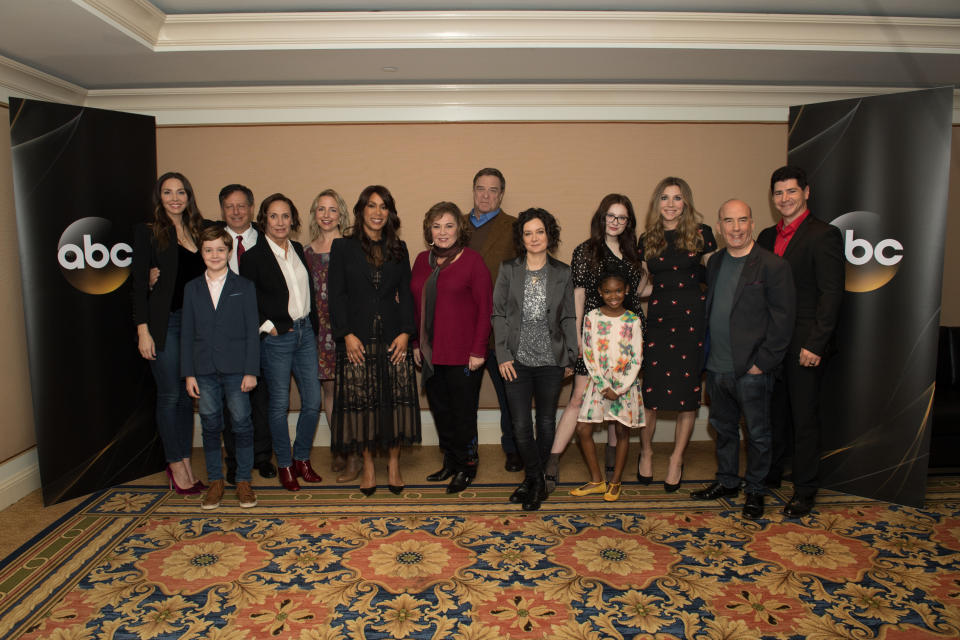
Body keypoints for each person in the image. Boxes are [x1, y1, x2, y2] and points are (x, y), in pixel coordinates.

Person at [691, 199, 795, 520]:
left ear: (752, 223)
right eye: (729, 221)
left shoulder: (773, 266)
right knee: (723, 429)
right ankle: (727, 481)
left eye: (742, 221)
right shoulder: (716, 262)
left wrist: (762, 363)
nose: (736, 228)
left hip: (752, 369)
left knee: (758, 434)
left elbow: (783, 320)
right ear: (720, 227)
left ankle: (755, 490)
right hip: (717, 366)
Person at [758, 165, 844, 518]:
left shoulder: (824, 235)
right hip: (770, 343)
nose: (785, 198)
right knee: (773, 413)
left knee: (804, 418)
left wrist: (816, 343)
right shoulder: (764, 236)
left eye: (791, 191)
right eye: (778, 193)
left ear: (806, 192)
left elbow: (832, 293)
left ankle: (805, 490)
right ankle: (773, 473)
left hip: (804, 343)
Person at [544, 194, 645, 493]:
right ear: (601, 218)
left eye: (622, 218)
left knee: (618, 400)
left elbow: (638, 292)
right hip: (594, 335)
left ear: (629, 222)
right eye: (610, 216)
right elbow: (577, 297)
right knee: (577, 397)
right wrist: (575, 341)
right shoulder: (585, 251)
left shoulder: (632, 253)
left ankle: (612, 464)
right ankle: (552, 462)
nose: (615, 222)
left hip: (626, 336)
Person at [328, 185, 421, 496]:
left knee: (394, 401)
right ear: (361, 210)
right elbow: (337, 295)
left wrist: (407, 332)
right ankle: (368, 466)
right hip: (357, 337)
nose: (378, 212)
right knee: (362, 402)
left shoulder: (399, 247)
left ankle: (393, 464)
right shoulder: (343, 247)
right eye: (372, 206)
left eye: (384, 206)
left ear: (390, 213)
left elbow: (406, 294)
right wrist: (346, 334)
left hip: (394, 337)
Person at [492, 208, 577, 511]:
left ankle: (533, 482)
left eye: (539, 231)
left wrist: (571, 355)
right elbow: (499, 314)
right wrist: (502, 355)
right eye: (527, 233)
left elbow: (568, 316)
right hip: (516, 361)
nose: (534, 238)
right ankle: (536, 478)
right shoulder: (508, 269)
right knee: (520, 426)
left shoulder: (563, 272)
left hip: (551, 361)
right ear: (521, 238)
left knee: (545, 422)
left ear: (549, 234)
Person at [239, 193, 324, 492]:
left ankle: (302, 458)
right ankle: (285, 465)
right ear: (264, 220)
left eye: (285, 216)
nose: (280, 222)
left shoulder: (299, 249)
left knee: (313, 402)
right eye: (273, 216)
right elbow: (247, 301)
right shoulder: (252, 257)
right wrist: (268, 327)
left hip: (305, 335)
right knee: (279, 405)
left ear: (293, 220)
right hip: (278, 339)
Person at [636, 177, 717, 492]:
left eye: (677, 198)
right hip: (657, 320)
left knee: (687, 396)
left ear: (686, 202)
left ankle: (676, 458)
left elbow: (716, 276)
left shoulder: (702, 235)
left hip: (691, 321)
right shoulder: (648, 239)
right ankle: (646, 451)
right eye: (664, 198)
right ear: (657, 203)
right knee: (650, 397)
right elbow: (643, 286)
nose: (670, 204)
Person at [411, 202, 493, 493]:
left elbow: (486, 309)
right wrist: (415, 344)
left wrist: (478, 350)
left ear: (459, 229)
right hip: (431, 353)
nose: (443, 232)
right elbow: (415, 307)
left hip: (463, 354)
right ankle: (450, 461)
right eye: (437, 226)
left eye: (449, 225)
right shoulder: (422, 261)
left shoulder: (473, 261)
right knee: (441, 410)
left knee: (462, 413)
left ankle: (467, 466)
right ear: (429, 230)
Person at [132, 171, 206, 494]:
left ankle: (186, 463)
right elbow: (137, 287)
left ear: (189, 196)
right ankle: (175, 466)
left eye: (181, 192)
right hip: (165, 325)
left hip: (193, 327)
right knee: (170, 395)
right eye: (167, 192)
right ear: (159, 198)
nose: (175, 198)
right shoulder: (148, 232)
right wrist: (143, 331)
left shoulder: (197, 231)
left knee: (186, 398)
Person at [181, 226, 260, 510]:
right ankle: (215, 480)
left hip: (237, 368)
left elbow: (253, 331)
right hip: (203, 369)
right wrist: (188, 373)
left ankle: (242, 480)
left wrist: (251, 370)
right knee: (211, 424)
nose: (214, 255)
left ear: (229, 252)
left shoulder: (244, 287)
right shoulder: (191, 289)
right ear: (201, 253)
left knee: (241, 423)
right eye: (208, 249)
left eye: (220, 249)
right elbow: (187, 333)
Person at [215, 184, 276, 484]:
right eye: (230, 206)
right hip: (226, 335)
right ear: (222, 210)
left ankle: (263, 457)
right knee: (231, 400)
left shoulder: (268, 242)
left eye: (241, 206)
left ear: (252, 209)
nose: (236, 211)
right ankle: (235, 460)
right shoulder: (214, 242)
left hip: (261, 332)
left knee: (261, 398)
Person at [570, 271, 645, 502]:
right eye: (608, 291)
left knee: (622, 431)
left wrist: (620, 387)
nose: (614, 296)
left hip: (625, 384)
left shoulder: (633, 320)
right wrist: (603, 386)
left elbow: (637, 357)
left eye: (618, 291)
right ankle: (596, 480)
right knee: (583, 429)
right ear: (601, 293)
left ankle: (615, 482)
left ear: (626, 291)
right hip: (599, 382)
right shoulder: (592, 316)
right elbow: (589, 353)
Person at [465, 168, 523, 473]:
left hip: (502, 330)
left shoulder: (514, 227)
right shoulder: (455, 225)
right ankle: (467, 451)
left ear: (501, 194)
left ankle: (513, 448)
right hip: (465, 330)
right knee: (464, 399)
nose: (485, 195)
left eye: (493, 190)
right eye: (480, 189)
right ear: (473, 191)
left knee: (510, 397)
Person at [303, 188, 361, 484]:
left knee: (348, 393)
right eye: (320, 209)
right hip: (318, 331)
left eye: (332, 209)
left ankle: (353, 454)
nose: (326, 215)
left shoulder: (351, 246)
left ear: (341, 214)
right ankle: (339, 445)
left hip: (345, 329)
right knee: (328, 391)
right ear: (314, 213)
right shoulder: (306, 251)